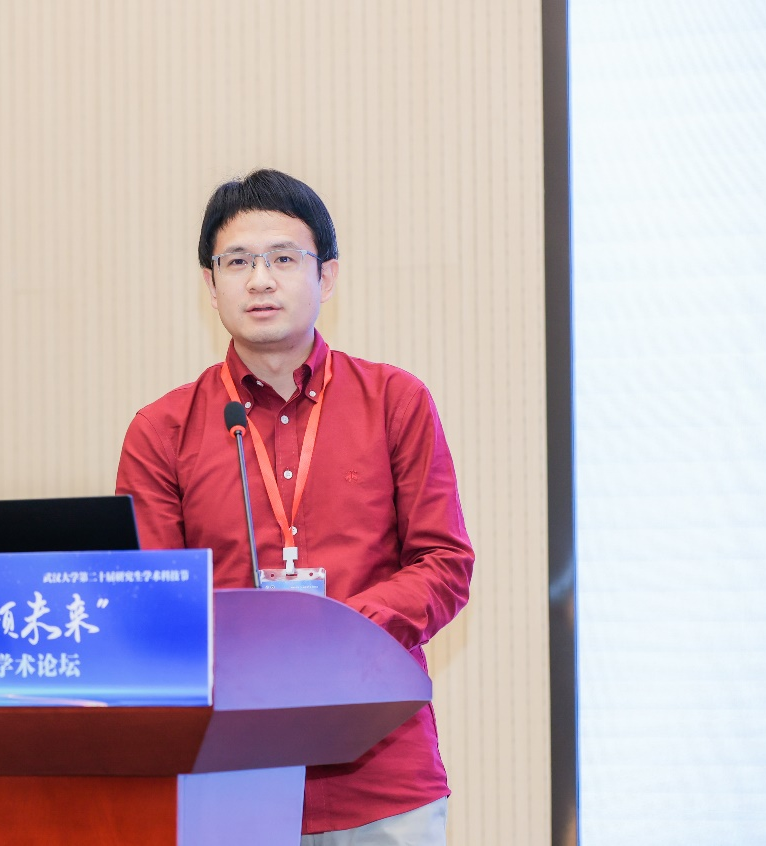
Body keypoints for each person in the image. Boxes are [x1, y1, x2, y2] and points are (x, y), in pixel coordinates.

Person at [115, 169, 474, 844]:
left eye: (283, 258)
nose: (259, 281)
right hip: (225, 773)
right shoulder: (162, 430)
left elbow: (444, 563)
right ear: (210, 284)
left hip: (380, 773)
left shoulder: (394, 402)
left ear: (326, 276)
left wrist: (339, 630)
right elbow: (152, 602)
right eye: (237, 262)